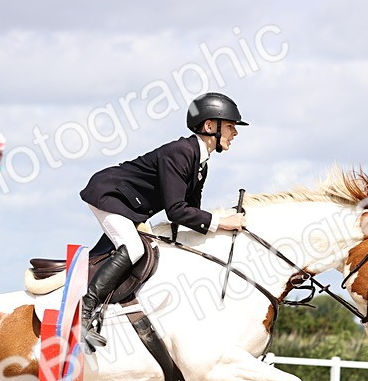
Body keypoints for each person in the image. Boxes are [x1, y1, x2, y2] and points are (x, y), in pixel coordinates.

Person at [78, 91, 248, 349]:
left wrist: (220, 220)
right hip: (108, 194)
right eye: (231, 127)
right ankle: (84, 313)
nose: (235, 133)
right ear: (210, 126)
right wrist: (221, 222)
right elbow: (176, 211)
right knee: (133, 248)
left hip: (127, 206)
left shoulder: (200, 163)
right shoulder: (180, 152)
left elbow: (192, 212)